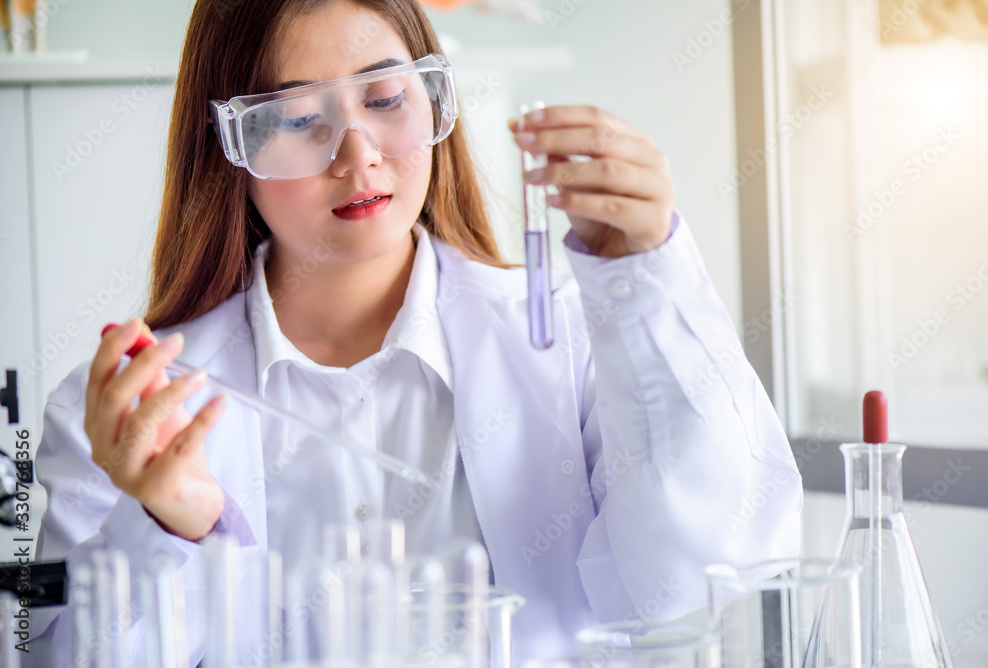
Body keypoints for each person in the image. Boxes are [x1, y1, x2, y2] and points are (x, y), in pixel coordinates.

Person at [28, 0, 803, 664]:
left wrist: (645, 289)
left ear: (433, 101)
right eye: (298, 118)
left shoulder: (567, 339)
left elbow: (702, 575)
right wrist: (163, 528)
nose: (357, 154)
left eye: (387, 98)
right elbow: (51, 653)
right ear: (230, 145)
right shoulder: (134, 412)